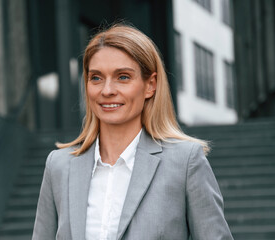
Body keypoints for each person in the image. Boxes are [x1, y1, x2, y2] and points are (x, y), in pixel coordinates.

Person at [32, 23, 233, 240]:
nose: (107, 90)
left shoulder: (185, 162)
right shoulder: (59, 165)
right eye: (96, 78)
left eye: (123, 77)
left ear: (150, 85)